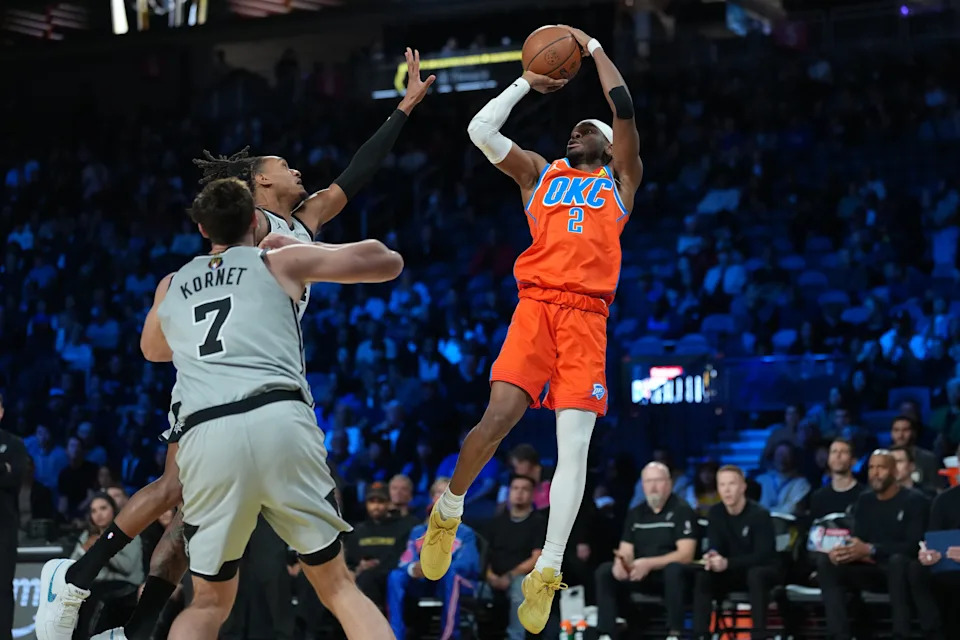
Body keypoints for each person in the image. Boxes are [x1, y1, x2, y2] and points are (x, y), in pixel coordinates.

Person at [34, 48, 433, 640]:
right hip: (223, 375)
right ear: (257, 185)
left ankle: (135, 627)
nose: (299, 172)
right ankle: (80, 582)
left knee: (194, 527)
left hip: (233, 385)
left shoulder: (301, 223)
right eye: (286, 166)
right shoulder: (258, 235)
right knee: (175, 492)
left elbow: (356, 173)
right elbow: (374, 260)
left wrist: (404, 109)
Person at [422, 25, 644, 634]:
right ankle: (448, 510)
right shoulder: (540, 175)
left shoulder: (621, 183)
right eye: (573, 127)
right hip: (537, 308)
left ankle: (547, 568)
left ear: (608, 146)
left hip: (587, 320)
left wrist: (593, 48)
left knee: (573, 451)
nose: (576, 130)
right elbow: (480, 130)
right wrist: (526, 80)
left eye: (587, 128)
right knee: (497, 418)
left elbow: (623, 106)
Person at [816, 450, 939, 640]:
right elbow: (859, 539)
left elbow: (914, 545)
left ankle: (901, 634)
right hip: (870, 568)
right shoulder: (865, 500)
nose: (875, 473)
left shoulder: (915, 500)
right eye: (872, 468)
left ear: (894, 472)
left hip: (899, 570)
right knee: (826, 562)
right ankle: (838, 635)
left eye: (881, 467)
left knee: (898, 561)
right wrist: (844, 551)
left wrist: (872, 550)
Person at [595, 462, 697, 640]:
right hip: (640, 574)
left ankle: (675, 633)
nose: (653, 487)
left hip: (669, 576)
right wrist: (621, 564)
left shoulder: (682, 510)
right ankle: (606, 633)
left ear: (669, 483)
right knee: (605, 571)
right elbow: (626, 550)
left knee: (674, 570)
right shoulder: (635, 513)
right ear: (642, 485)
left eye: (658, 481)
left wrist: (649, 564)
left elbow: (686, 554)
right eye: (648, 482)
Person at [692, 465, 779, 640]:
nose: (727, 490)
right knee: (703, 576)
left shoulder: (759, 514)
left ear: (743, 487)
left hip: (759, 571)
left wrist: (727, 563)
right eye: (722, 485)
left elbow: (763, 555)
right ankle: (701, 635)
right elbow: (715, 545)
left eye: (731, 484)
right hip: (730, 572)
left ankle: (759, 635)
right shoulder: (715, 513)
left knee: (756, 575)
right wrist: (712, 555)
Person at [388, 478, 480, 640]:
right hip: (426, 582)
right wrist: (413, 568)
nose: (443, 497)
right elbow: (405, 561)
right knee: (396, 576)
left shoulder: (465, 533)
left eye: (448, 493)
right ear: (432, 498)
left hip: (457, 582)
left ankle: (449, 636)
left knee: (452, 574)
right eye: (439, 492)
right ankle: (395, 635)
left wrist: (436, 567)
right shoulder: (418, 532)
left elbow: (468, 564)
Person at [484, 474, 547, 640]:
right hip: (492, 578)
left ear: (532, 494)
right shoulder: (496, 522)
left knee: (520, 589)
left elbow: (537, 558)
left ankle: (515, 637)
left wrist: (510, 576)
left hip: (522, 577)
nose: (519, 493)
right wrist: (490, 576)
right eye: (515, 488)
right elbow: (486, 556)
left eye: (525, 489)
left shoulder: (539, 523)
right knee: (471, 590)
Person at [345, 482, 419, 612]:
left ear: (389, 503)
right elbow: (349, 560)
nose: (376, 506)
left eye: (381, 501)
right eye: (372, 502)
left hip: (391, 577)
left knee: (370, 578)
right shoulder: (358, 531)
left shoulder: (404, 527)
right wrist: (357, 568)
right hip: (363, 578)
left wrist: (378, 565)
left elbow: (403, 556)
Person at [0, 393, 28, 640]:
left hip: (4, 527)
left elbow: (13, 478)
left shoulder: (15, 444)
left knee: (2, 587)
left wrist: (6, 471)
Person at [808, 438, 865, 519]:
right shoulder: (818, 497)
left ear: (853, 461)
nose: (838, 456)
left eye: (843, 452)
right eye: (834, 452)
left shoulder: (865, 496)